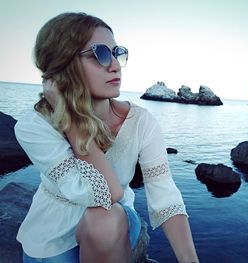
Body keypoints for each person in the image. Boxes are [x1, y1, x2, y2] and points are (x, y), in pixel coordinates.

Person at [15, 12, 199, 263]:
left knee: (104, 218)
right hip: (52, 232)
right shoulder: (34, 125)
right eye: (99, 54)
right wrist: (72, 122)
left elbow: (164, 197)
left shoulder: (140, 121)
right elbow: (102, 191)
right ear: (62, 65)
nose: (114, 65)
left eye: (116, 53)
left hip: (113, 225)